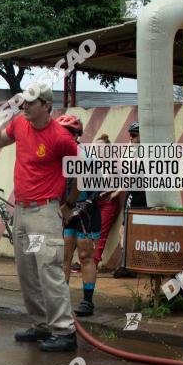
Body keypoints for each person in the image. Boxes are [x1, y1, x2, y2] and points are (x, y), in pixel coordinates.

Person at [0, 83, 78, 352]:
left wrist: (69, 204)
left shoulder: (60, 137)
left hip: (45, 212)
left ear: (46, 106)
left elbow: (81, 171)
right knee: (28, 271)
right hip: (22, 211)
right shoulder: (20, 125)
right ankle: (42, 324)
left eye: (31, 103)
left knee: (49, 271)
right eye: (24, 102)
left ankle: (65, 331)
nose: (24, 106)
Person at [56, 114, 100, 317]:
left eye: (66, 133)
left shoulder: (83, 154)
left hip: (86, 210)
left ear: (76, 135)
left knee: (85, 257)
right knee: (64, 257)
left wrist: (73, 206)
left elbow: (87, 184)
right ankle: (62, 300)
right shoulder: (58, 154)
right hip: (66, 210)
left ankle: (87, 302)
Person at [113, 121, 143, 278]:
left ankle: (126, 265)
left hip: (136, 194)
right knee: (136, 230)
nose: (130, 138)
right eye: (130, 135)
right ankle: (131, 264)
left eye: (133, 135)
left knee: (125, 230)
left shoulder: (137, 152)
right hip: (144, 194)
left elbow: (129, 175)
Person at [92, 134, 123, 268]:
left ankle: (94, 263)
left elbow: (128, 178)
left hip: (108, 202)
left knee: (101, 233)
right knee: (90, 233)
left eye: (101, 147)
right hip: (94, 201)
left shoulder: (115, 162)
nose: (98, 149)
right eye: (96, 147)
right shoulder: (93, 163)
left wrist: (116, 192)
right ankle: (88, 261)